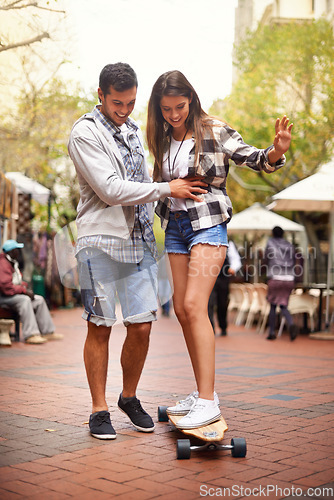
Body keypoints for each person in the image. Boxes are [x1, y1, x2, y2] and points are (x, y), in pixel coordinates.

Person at [146, 70, 293, 429]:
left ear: (191, 100)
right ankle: (200, 393)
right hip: (176, 228)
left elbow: (253, 157)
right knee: (181, 309)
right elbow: (161, 184)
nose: (174, 115)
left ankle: (209, 401)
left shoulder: (213, 128)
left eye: (180, 107)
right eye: (166, 109)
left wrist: (276, 151)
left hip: (208, 223)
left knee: (196, 305)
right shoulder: (162, 139)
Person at [67, 63, 207, 440]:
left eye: (130, 103)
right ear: (100, 95)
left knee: (142, 326)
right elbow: (111, 189)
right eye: (117, 103)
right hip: (99, 241)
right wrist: (167, 188)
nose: (125, 110)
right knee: (99, 325)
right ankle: (99, 409)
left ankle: (128, 397)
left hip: (139, 241)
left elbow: (144, 183)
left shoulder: (131, 131)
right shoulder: (85, 132)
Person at [0, 240, 62, 344]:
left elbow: (16, 282)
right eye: (17, 250)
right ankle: (31, 334)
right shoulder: (3, 263)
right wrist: (24, 291)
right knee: (24, 301)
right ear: (11, 251)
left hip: (12, 295)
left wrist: (24, 287)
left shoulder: (12, 262)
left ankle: (47, 332)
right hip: (4, 298)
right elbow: (6, 287)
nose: (19, 252)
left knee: (39, 300)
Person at [264, 226, 298, 341]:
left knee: (273, 305)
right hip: (289, 278)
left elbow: (265, 259)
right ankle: (291, 322)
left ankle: (272, 332)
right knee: (283, 305)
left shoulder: (270, 243)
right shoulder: (289, 245)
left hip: (275, 277)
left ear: (272, 234)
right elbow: (295, 260)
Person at [208, 240, 242, 336]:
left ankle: (223, 327)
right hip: (209, 277)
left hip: (223, 278)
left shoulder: (228, 243)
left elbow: (236, 259)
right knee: (209, 303)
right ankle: (211, 328)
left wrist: (233, 268)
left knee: (222, 303)